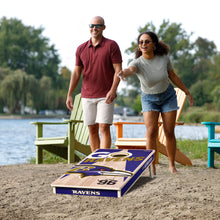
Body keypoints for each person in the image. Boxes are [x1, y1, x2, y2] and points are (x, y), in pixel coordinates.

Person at [117, 31, 194, 174]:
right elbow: (130, 70)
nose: (143, 44)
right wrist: (123, 73)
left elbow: (173, 76)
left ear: (154, 44)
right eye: (141, 42)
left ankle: (172, 166)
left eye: (147, 41)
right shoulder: (137, 63)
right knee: (151, 131)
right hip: (149, 99)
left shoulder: (164, 58)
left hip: (168, 97)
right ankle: (151, 167)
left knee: (169, 131)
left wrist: (186, 92)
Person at [66, 16, 122, 152]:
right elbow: (76, 73)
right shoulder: (81, 48)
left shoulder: (111, 45)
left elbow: (118, 70)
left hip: (105, 95)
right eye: (92, 25)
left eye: (97, 25)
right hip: (87, 95)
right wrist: (69, 95)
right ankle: (96, 161)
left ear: (104, 27)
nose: (94, 28)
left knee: (104, 126)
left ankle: (103, 160)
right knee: (92, 128)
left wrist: (113, 90)